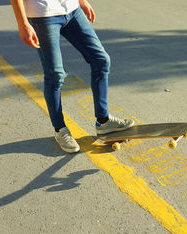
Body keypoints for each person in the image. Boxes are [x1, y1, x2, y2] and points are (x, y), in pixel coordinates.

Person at [10, 0, 135, 153]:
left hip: (72, 9)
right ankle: (60, 129)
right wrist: (22, 22)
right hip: (42, 14)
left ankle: (103, 121)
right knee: (55, 75)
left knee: (101, 60)